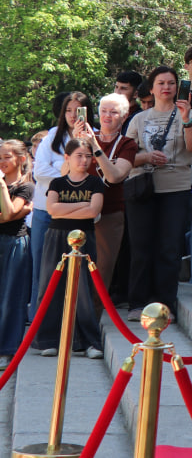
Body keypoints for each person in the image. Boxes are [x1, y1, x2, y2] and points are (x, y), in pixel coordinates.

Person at [125, 67, 192, 319]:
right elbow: (126, 157)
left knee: (170, 248)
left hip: (176, 187)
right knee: (141, 247)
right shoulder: (138, 119)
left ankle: (165, 303)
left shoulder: (186, 114)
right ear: (151, 88)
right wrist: (146, 156)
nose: (166, 87)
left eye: (171, 83)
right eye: (160, 83)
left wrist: (187, 118)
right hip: (143, 188)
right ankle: (137, 302)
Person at [35, 139, 104, 358]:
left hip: (84, 239)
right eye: (79, 155)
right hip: (56, 236)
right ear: (67, 157)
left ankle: (87, 341)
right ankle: (48, 339)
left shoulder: (95, 183)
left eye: (87, 156)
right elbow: (52, 210)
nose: (84, 160)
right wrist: (81, 205)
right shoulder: (57, 183)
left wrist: (68, 209)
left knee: (83, 289)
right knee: (50, 285)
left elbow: (93, 212)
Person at [31, 91, 89, 321]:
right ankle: (39, 327)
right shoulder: (52, 136)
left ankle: (72, 328)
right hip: (46, 212)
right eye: (68, 110)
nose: (73, 115)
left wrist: (66, 172)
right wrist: (73, 172)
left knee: (76, 274)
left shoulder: (92, 137)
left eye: (78, 110)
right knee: (42, 272)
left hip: (80, 215)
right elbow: (39, 172)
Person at [74, 94, 137, 303]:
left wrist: (96, 148)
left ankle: (91, 327)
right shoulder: (83, 139)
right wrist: (76, 144)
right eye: (104, 111)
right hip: (78, 212)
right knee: (74, 273)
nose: (107, 116)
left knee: (101, 274)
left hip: (109, 214)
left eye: (114, 112)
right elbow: (66, 172)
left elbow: (115, 176)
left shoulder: (127, 144)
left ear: (125, 116)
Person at [0, 140, 33, 367]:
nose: (2, 162)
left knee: (12, 297)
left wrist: (2, 186)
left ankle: (7, 349)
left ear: (20, 159)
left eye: (6, 157)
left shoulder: (26, 187)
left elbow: (10, 213)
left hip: (15, 243)